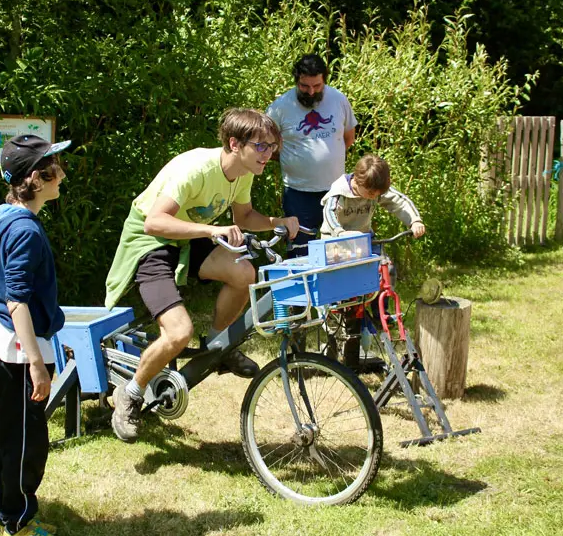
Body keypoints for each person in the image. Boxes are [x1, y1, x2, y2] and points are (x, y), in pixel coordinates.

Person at [104, 108, 299, 442]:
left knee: (244, 272)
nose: (270, 154)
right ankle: (131, 394)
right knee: (178, 333)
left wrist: (276, 222)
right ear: (235, 144)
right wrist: (211, 231)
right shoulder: (196, 168)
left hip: (190, 236)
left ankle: (217, 347)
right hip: (150, 240)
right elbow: (154, 221)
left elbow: (246, 215)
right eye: (263, 147)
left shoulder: (244, 171)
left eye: (272, 147)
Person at [0, 134, 70, 536]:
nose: (62, 174)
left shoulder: (8, 215)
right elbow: (17, 300)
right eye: (55, 168)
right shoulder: (25, 230)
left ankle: (8, 503)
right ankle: (18, 518)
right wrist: (36, 363)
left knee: (11, 432)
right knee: (27, 443)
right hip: (18, 349)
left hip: (1, 341)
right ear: (37, 177)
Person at [320, 153, 425, 369]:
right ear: (357, 182)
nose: (372, 197)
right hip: (335, 245)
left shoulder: (374, 188)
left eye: (377, 194)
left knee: (387, 267)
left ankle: (381, 312)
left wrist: (414, 220)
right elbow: (329, 214)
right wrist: (339, 232)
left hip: (363, 242)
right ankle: (333, 327)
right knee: (342, 298)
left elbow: (398, 201)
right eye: (369, 193)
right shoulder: (339, 193)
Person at [266, 53, 357, 256]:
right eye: (305, 86)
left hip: (336, 191)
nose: (311, 92)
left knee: (339, 250)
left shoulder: (338, 99)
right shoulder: (279, 107)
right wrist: (293, 160)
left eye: (317, 86)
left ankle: (335, 287)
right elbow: (265, 147)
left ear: (325, 79)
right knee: (300, 252)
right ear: (296, 80)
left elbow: (348, 138)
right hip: (298, 194)